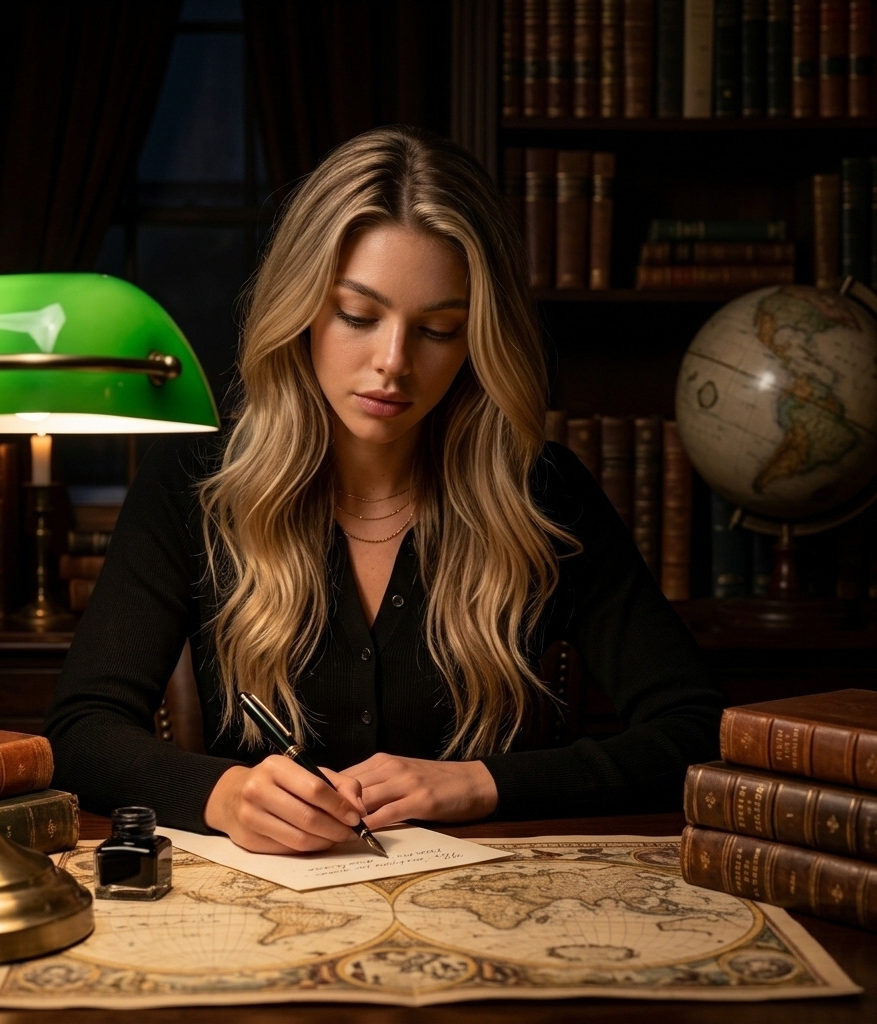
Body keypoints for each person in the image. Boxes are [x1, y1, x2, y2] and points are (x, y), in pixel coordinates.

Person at [44, 126, 723, 854]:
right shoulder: (193, 489)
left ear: (476, 341)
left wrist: (479, 783)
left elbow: (693, 732)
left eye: (437, 330)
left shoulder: (545, 493)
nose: (393, 364)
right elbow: (81, 733)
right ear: (302, 309)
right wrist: (223, 794)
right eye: (358, 316)